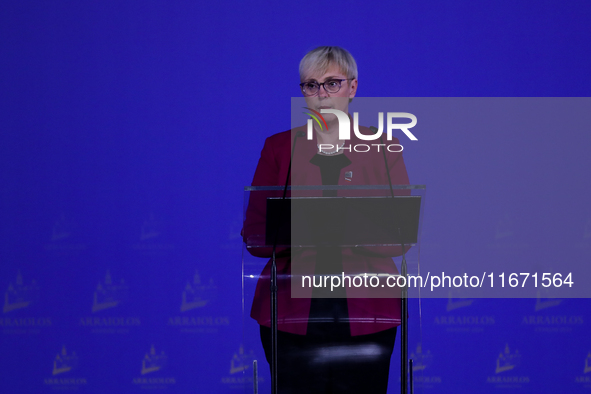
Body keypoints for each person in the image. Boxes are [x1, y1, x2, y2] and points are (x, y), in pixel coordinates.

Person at [243, 46, 410, 393]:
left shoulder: (383, 147)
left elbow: (399, 236)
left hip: (368, 306)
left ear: (353, 88)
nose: (321, 95)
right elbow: (257, 236)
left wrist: (316, 224)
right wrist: (339, 224)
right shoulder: (279, 148)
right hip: (290, 307)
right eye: (310, 85)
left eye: (332, 83)